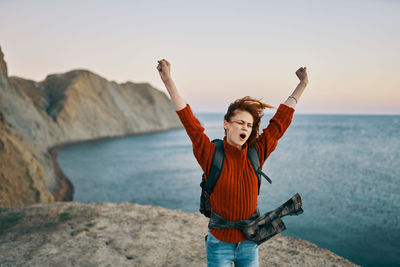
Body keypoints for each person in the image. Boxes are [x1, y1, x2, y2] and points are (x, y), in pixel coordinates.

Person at [157, 59, 308, 267]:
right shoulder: (210, 154)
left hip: (250, 243)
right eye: (240, 122)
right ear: (226, 125)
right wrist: (168, 80)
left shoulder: (257, 153)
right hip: (219, 245)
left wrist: (302, 85)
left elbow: (279, 123)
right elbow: (189, 122)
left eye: (249, 124)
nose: (244, 128)